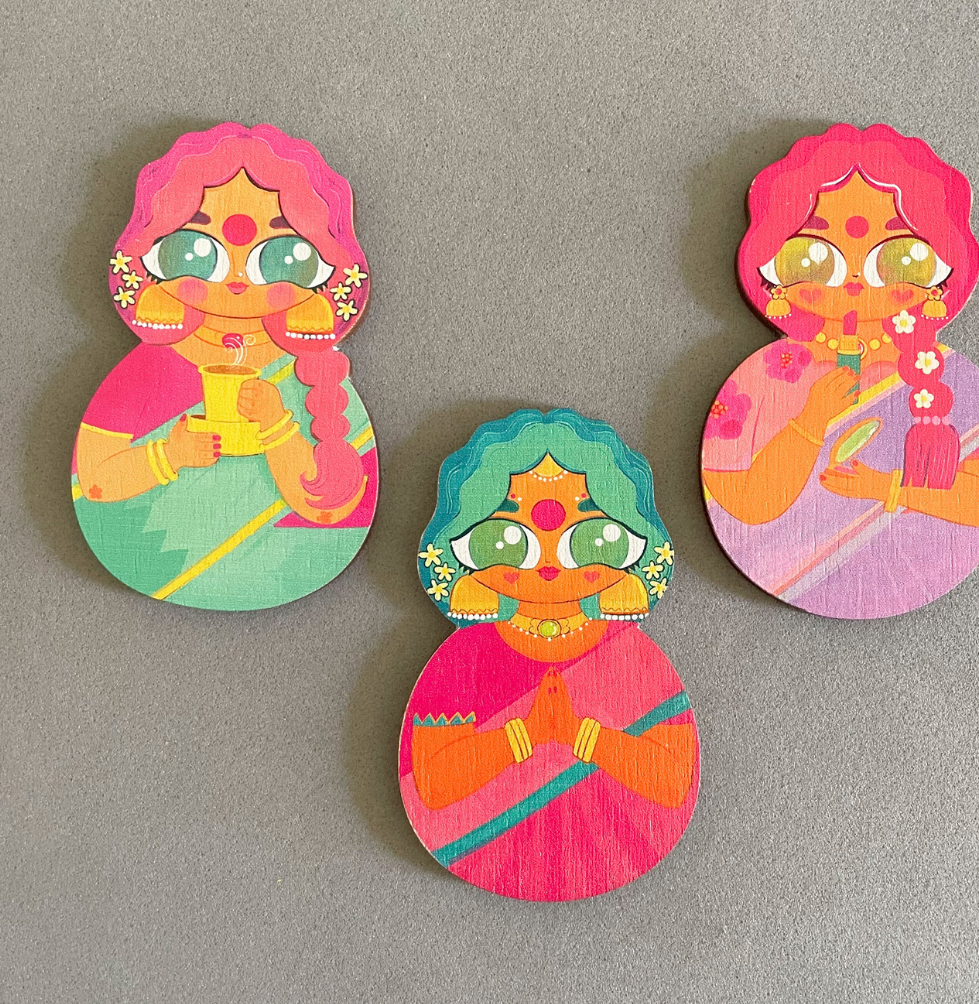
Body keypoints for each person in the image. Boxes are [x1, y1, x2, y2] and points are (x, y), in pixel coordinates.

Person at [702, 124, 979, 618]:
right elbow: (745, 508)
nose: (851, 282)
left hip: (917, 573)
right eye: (811, 259)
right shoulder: (763, 378)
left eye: (901, 259)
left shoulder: (949, 379)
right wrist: (810, 421)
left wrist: (885, 489)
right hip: (788, 573)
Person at [73, 124, 378, 610]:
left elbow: (330, 510)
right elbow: (92, 481)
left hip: (291, 565)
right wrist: (168, 455)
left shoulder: (310, 372)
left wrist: (277, 427)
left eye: (283, 258)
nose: (236, 282)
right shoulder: (148, 369)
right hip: (150, 562)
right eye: (196, 253)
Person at [400, 409, 698, 900]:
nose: (549, 568)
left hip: (616, 852)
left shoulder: (630, 654)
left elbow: (671, 783)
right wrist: (527, 733)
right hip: (486, 854)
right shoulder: (464, 656)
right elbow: (431, 784)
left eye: (592, 540)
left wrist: (580, 735)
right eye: (504, 542)